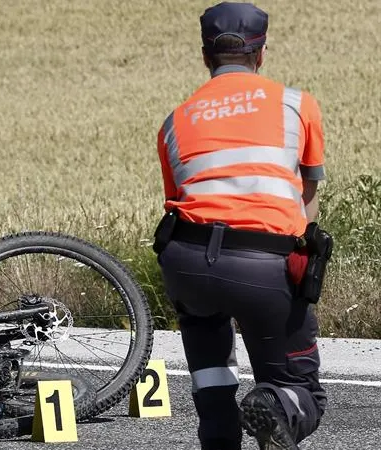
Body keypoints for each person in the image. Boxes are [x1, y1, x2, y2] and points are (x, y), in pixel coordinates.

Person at [151, 2, 331, 450]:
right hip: (262, 262)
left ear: (205, 56)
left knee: (211, 375)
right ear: (262, 53)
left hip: (186, 259)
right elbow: (307, 197)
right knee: (299, 392)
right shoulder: (297, 104)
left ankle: (218, 433)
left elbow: (178, 197)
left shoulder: (175, 120)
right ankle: (275, 400)